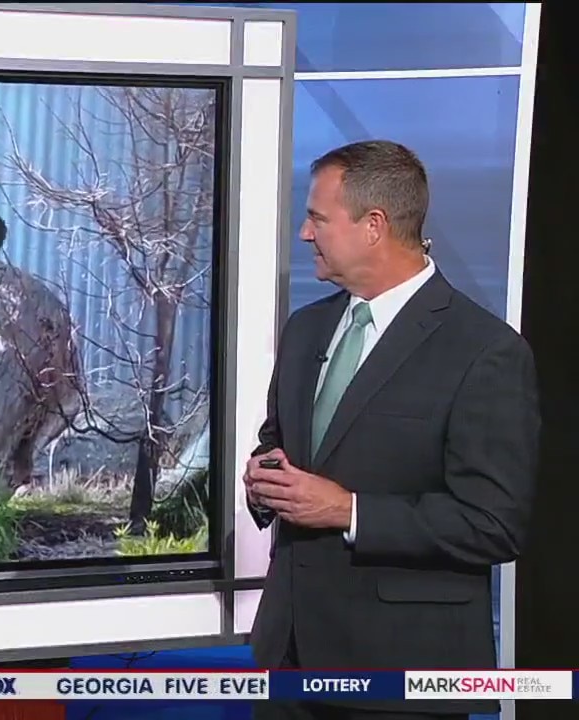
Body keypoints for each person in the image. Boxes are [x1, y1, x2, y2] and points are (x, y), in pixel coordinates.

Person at [243, 140, 540, 720]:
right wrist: (266, 475)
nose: (305, 234)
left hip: (401, 672)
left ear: (373, 226)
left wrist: (349, 511)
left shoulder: (484, 352)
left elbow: (494, 524)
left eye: (318, 218)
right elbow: (277, 437)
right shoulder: (306, 330)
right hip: (291, 660)